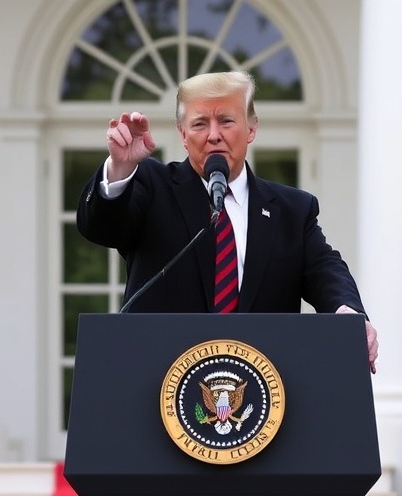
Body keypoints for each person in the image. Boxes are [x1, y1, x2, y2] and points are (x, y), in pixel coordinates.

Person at [77, 70, 379, 373]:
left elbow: (326, 271)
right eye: (199, 123)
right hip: (159, 384)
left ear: (251, 128)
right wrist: (120, 167)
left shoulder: (292, 210)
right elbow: (101, 227)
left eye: (226, 121)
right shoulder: (151, 185)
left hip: (262, 393)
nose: (213, 135)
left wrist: (347, 312)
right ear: (183, 135)